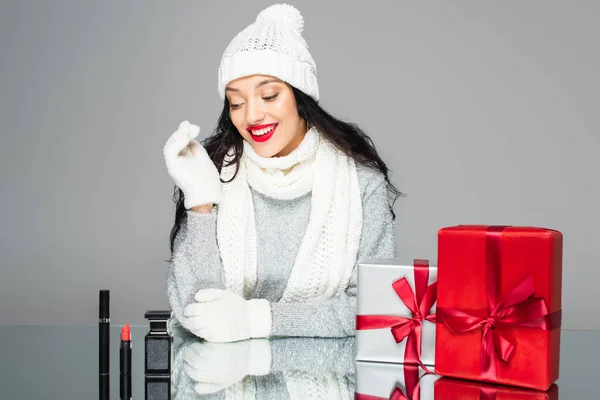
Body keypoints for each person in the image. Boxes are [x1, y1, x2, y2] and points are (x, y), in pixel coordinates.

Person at [163, 3, 401, 343]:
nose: (252, 115)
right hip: (226, 384)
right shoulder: (215, 173)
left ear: (300, 97)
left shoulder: (360, 183)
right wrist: (200, 204)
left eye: (269, 95)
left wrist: (257, 320)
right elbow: (195, 309)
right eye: (236, 102)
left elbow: (373, 309)